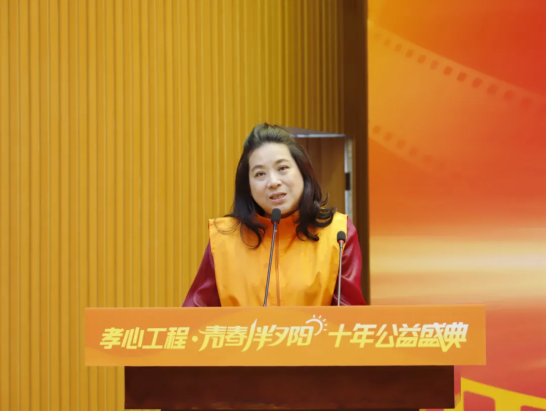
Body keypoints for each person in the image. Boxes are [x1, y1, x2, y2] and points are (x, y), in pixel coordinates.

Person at [183, 123, 367, 307]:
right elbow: (196, 318)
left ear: (303, 171)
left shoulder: (338, 234)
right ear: (247, 185)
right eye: (260, 174)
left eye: (282, 168)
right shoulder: (223, 240)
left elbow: (351, 318)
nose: (273, 182)